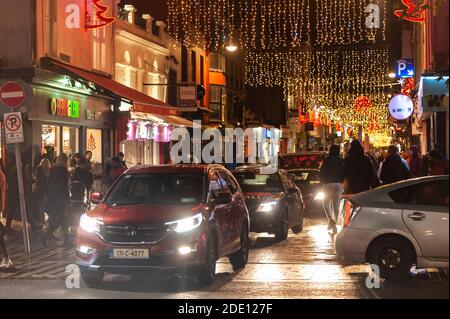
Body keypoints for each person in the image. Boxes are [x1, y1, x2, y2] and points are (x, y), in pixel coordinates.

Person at [42, 154, 71, 247]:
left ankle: (66, 239)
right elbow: (64, 185)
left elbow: (48, 182)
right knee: (63, 218)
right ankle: (45, 236)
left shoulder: (53, 168)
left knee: (61, 219)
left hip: (53, 198)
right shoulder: (63, 169)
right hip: (61, 198)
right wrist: (68, 197)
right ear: (65, 160)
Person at [320, 144, 345, 233]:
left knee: (325, 202)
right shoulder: (341, 160)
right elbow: (344, 171)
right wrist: (342, 181)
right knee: (336, 205)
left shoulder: (326, 160)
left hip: (328, 183)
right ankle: (334, 222)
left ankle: (331, 220)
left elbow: (322, 171)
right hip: (338, 184)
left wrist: (322, 180)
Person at [35, 158, 51, 224]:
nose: (45, 164)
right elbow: (39, 180)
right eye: (44, 163)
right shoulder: (39, 169)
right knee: (42, 206)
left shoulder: (48, 170)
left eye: (46, 163)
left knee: (46, 206)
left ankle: (45, 220)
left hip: (46, 190)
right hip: (41, 190)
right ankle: (42, 221)